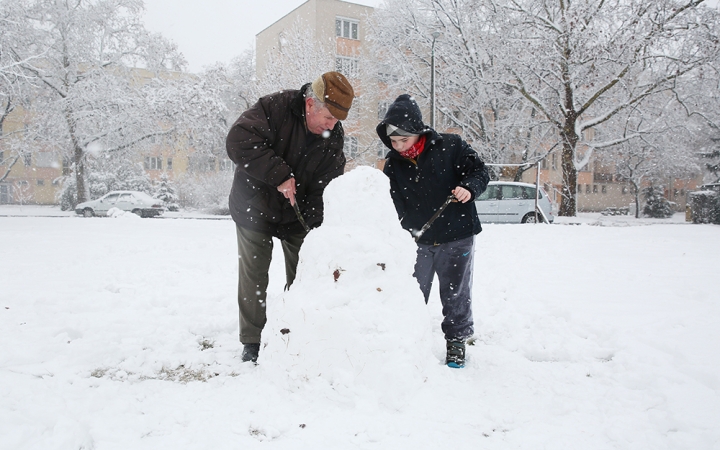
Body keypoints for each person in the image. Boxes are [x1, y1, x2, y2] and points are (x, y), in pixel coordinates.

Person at [226, 72, 355, 363]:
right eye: (328, 118)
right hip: (254, 205)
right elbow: (238, 141)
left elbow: (326, 183)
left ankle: (297, 328)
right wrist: (279, 175)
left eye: (337, 121)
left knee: (305, 272)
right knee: (254, 274)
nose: (332, 126)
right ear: (310, 104)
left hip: (297, 212)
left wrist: (310, 219)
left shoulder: (332, 135)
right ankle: (253, 340)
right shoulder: (275, 108)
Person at [376, 94, 489, 368]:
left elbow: (480, 172)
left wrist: (468, 188)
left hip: (456, 234)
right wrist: (402, 231)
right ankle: (408, 340)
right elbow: (393, 204)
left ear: (418, 132)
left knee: (455, 292)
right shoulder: (393, 165)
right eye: (394, 141)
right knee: (412, 292)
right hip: (418, 241)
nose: (399, 146)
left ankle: (456, 341)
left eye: (404, 140)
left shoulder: (450, 147)